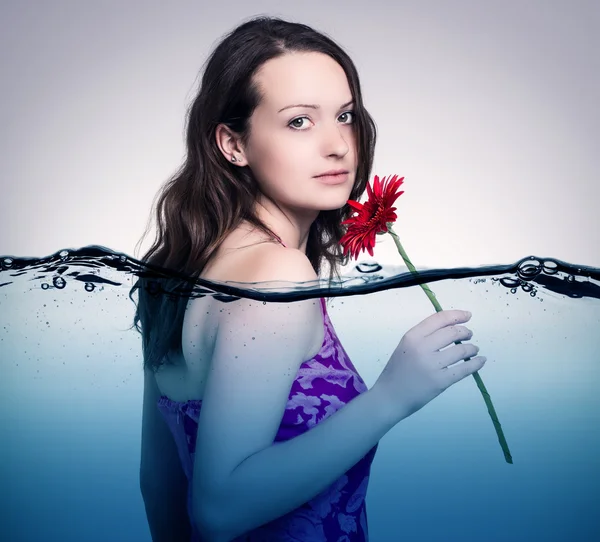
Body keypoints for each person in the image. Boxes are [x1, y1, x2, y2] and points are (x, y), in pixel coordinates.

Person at [131, 15, 485, 542]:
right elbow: (217, 508)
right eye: (299, 121)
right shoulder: (276, 272)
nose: (338, 144)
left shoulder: (179, 271)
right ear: (233, 144)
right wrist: (390, 398)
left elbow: (157, 487)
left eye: (344, 116)